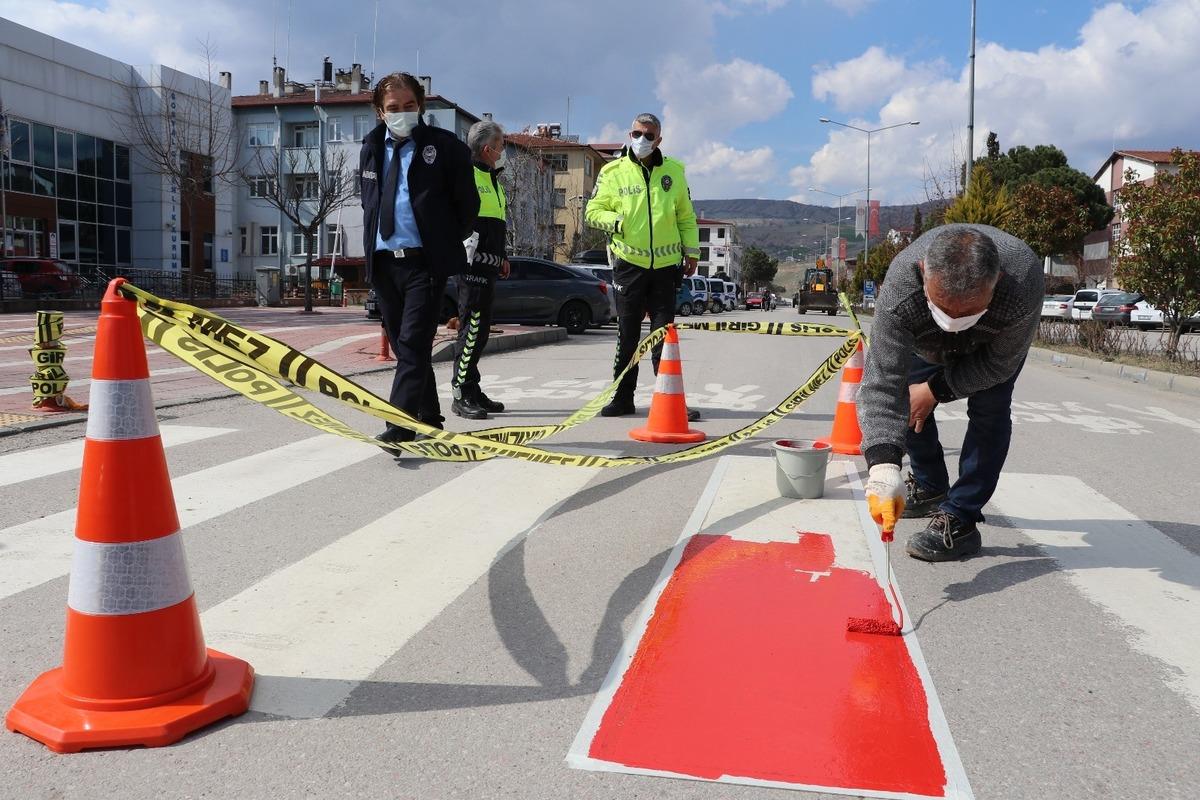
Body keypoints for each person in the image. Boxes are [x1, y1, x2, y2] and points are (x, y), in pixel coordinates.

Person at [859, 224, 1042, 561]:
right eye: (941, 306)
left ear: (997, 281)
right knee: (906, 399)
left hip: (991, 348)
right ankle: (929, 486)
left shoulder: (1023, 278)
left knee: (990, 410)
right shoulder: (902, 286)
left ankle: (961, 516)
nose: (952, 321)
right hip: (924, 344)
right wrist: (883, 466)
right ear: (922, 273)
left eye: (968, 312)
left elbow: (998, 366)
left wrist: (935, 389)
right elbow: (884, 381)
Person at [359, 72, 478, 444]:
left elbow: (467, 206)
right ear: (380, 112)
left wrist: (441, 240)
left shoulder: (445, 147)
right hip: (383, 262)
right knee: (404, 346)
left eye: (409, 106)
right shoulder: (371, 147)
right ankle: (430, 417)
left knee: (412, 343)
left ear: (420, 106)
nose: (402, 113)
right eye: (393, 108)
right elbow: (368, 201)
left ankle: (399, 424)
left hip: (424, 263)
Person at [585, 113, 701, 420]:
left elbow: (686, 218)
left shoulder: (674, 172)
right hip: (629, 266)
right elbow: (592, 211)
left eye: (649, 136)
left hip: (665, 267)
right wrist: (617, 222)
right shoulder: (612, 172)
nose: (642, 140)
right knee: (628, 335)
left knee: (664, 338)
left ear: (659, 140)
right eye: (637, 133)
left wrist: (693, 253)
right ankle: (623, 399)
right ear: (629, 133)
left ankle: (672, 401)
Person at [451, 120, 511, 420]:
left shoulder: (493, 179)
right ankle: (460, 393)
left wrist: (502, 256)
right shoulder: (467, 175)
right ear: (488, 149)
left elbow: (494, 225)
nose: (503, 150)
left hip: (490, 265)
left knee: (481, 331)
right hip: (471, 266)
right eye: (501, 145)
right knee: (472, 330)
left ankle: (472, 388)